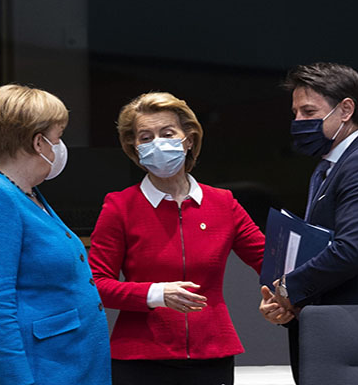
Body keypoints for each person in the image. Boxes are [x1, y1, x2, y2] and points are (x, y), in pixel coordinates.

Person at [259, 62, 358, 382]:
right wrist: (292, 305)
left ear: (346, 109)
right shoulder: (330, 166)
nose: (298, 122)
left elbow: (348, 251)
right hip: (338, 331)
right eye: (295, 114)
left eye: (308, 112)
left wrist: (287, 289)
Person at [88, 92, 265, 385]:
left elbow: (269, 260)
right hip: (140, 359)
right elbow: (96, 284)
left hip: (212, 353)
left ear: (189, 139)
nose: (157, 143)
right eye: (145, 137)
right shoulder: (119, 206)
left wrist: (283, 295)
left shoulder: (223, 202)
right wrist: (156, 294)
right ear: (134, 147)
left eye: (167, 133)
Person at [0, 84, 110, 384]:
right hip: (35, 371)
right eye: (58, 137)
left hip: (60, 365)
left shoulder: (24, 191)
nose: (60, 147)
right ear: (38, 142)